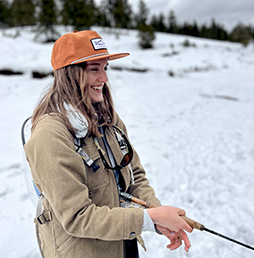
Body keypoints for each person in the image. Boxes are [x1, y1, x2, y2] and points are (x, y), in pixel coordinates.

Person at [24, 30, 193, 258]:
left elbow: (135, 176)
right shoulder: (49, 135)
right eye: (94, 69)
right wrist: (149, 218)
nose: (103, 79)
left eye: (105, 68)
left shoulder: (109, 120)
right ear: (70, 74)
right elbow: (77, 217)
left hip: (123, 243)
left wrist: (156, 215)